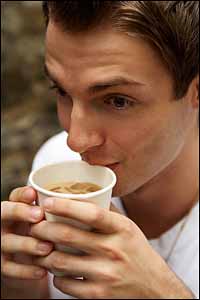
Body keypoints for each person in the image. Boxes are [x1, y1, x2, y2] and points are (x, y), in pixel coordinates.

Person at [1, 1, 199, 299]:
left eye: (117, 101)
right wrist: (23, 286)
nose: (76, 141)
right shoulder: (53, 160)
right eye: (62, 91)